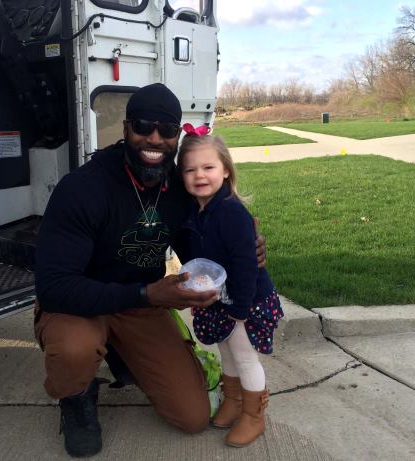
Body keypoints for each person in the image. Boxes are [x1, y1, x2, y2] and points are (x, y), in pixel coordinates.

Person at [33, 83, 265, 458]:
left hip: (139, 306)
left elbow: (198, 244)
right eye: (143, 126)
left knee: (192, 417)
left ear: (176, 137)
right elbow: (53, 287)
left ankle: (123, 355)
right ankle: (76, 396)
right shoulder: (83, 188)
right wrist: (148, 293)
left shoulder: (178, 187)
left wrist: (242, 249)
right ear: (126, 128)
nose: (154, 138)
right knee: (75, 349)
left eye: (167, 129)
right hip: (79, 306)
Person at [177, 133, 284, 448]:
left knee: (245, 357)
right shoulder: (195, 211)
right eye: (190, 170)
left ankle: (253, 415)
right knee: (225, 352)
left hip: (244, 300)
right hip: (218, 299)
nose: (199, 176)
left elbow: (246, 264)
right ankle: (234, 400)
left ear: (225, 170)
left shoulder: (231, 212)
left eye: (208, 167)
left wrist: (240, 308)